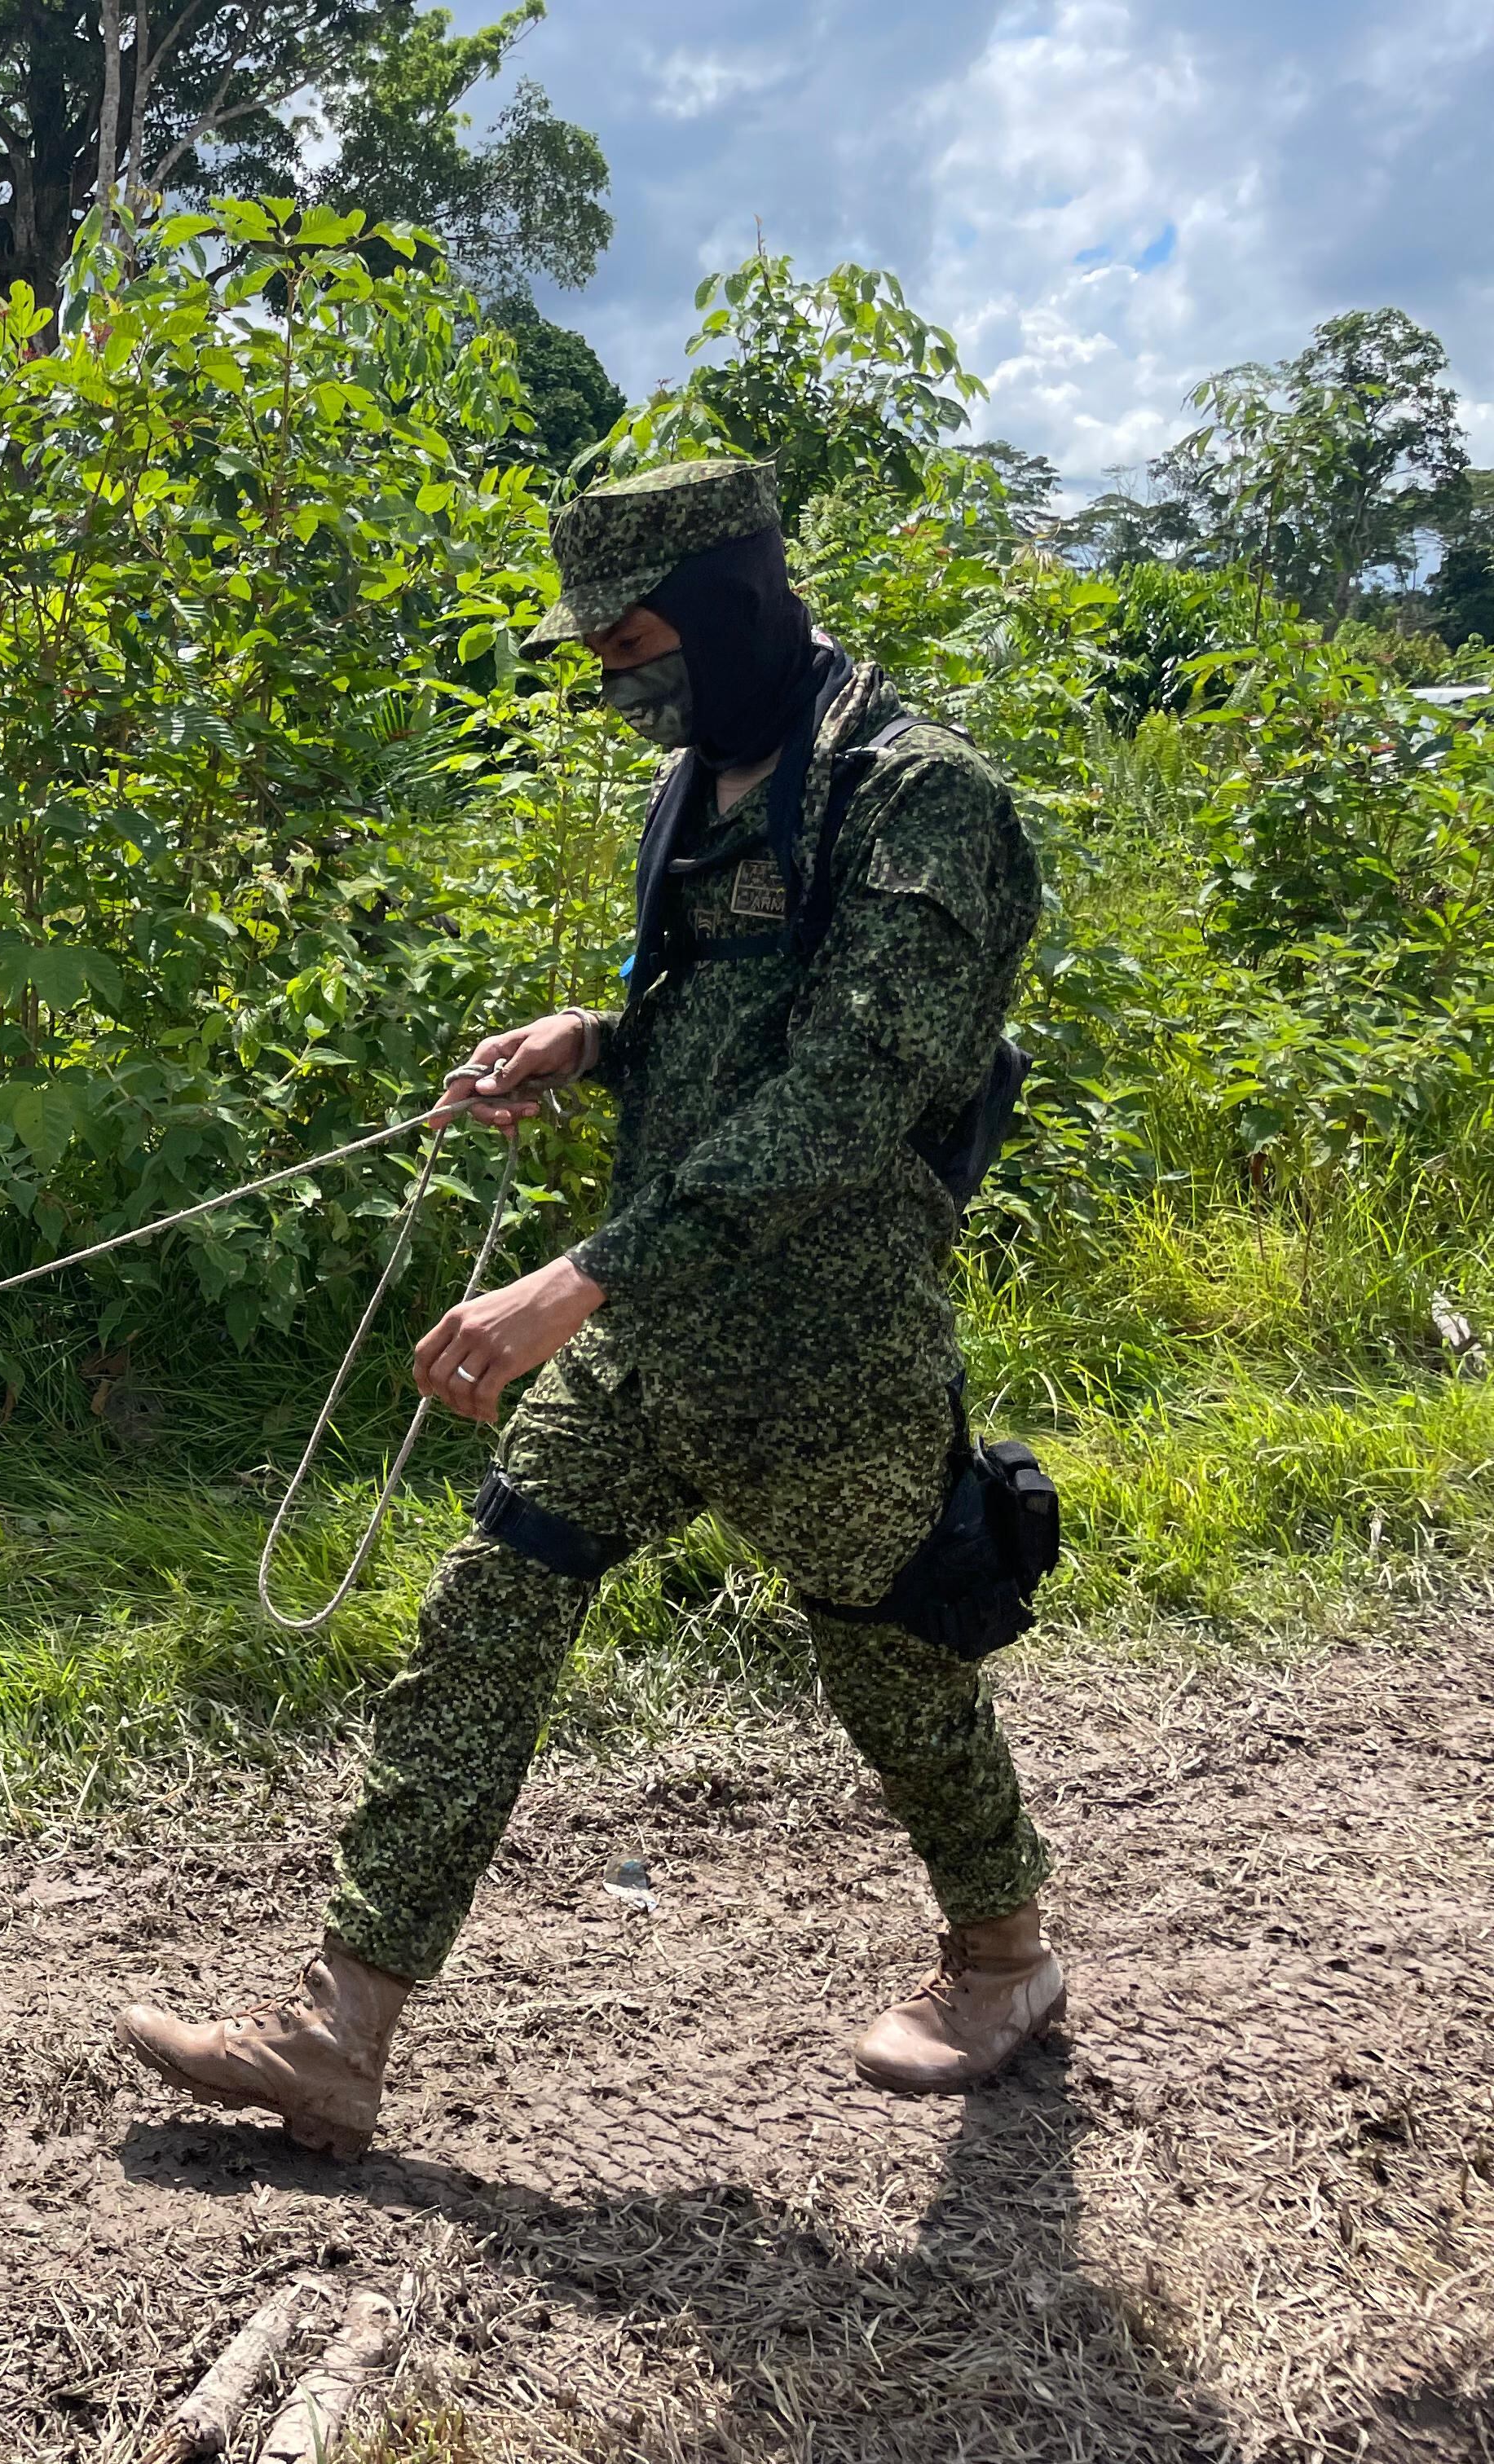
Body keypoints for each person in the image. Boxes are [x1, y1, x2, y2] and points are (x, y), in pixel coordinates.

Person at [117, 459, 1063, 2161]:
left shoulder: (927, 803)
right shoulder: (701, 786)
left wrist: (577, 1275)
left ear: (731, 603)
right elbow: (726, 1013)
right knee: (488, 1608)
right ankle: (338, 2035)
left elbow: (851, 1089)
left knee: (896, 1669)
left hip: (826, 1352)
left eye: (640, 642)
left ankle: (1002, 1956)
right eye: (602, 653)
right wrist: (594, 1039)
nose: (623, 682)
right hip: (650, 1334)